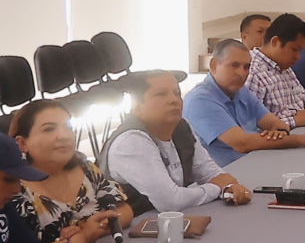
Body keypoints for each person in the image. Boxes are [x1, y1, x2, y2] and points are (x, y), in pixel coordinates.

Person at [103, 71, 254, 214]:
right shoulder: (131, 141)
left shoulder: (181, 127)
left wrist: (229, 187)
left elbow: (208, 171)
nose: (174, 100)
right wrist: (217, 188)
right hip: (132, 227)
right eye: (161, 94)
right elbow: (170, 201)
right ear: (137, 107)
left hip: (171, 221)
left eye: (177, 93)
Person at [184, 40, 305, 168]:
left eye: (246, 67)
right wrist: (302, 140)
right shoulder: (200, 100)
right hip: (228, 176)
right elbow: (243, 143)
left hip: (259, 163)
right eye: (234, 65)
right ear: (214, 65)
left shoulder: (240, 91)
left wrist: (279, 134)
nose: (241, 73)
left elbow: (278, 125)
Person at [7, 97, 133, 243]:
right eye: (49, 129)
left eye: (68, 128)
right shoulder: (13, 190)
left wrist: (91, 229)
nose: (64, 136)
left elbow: (124, 211)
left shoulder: (85, 168)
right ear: (22, 143)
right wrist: (83, 237)